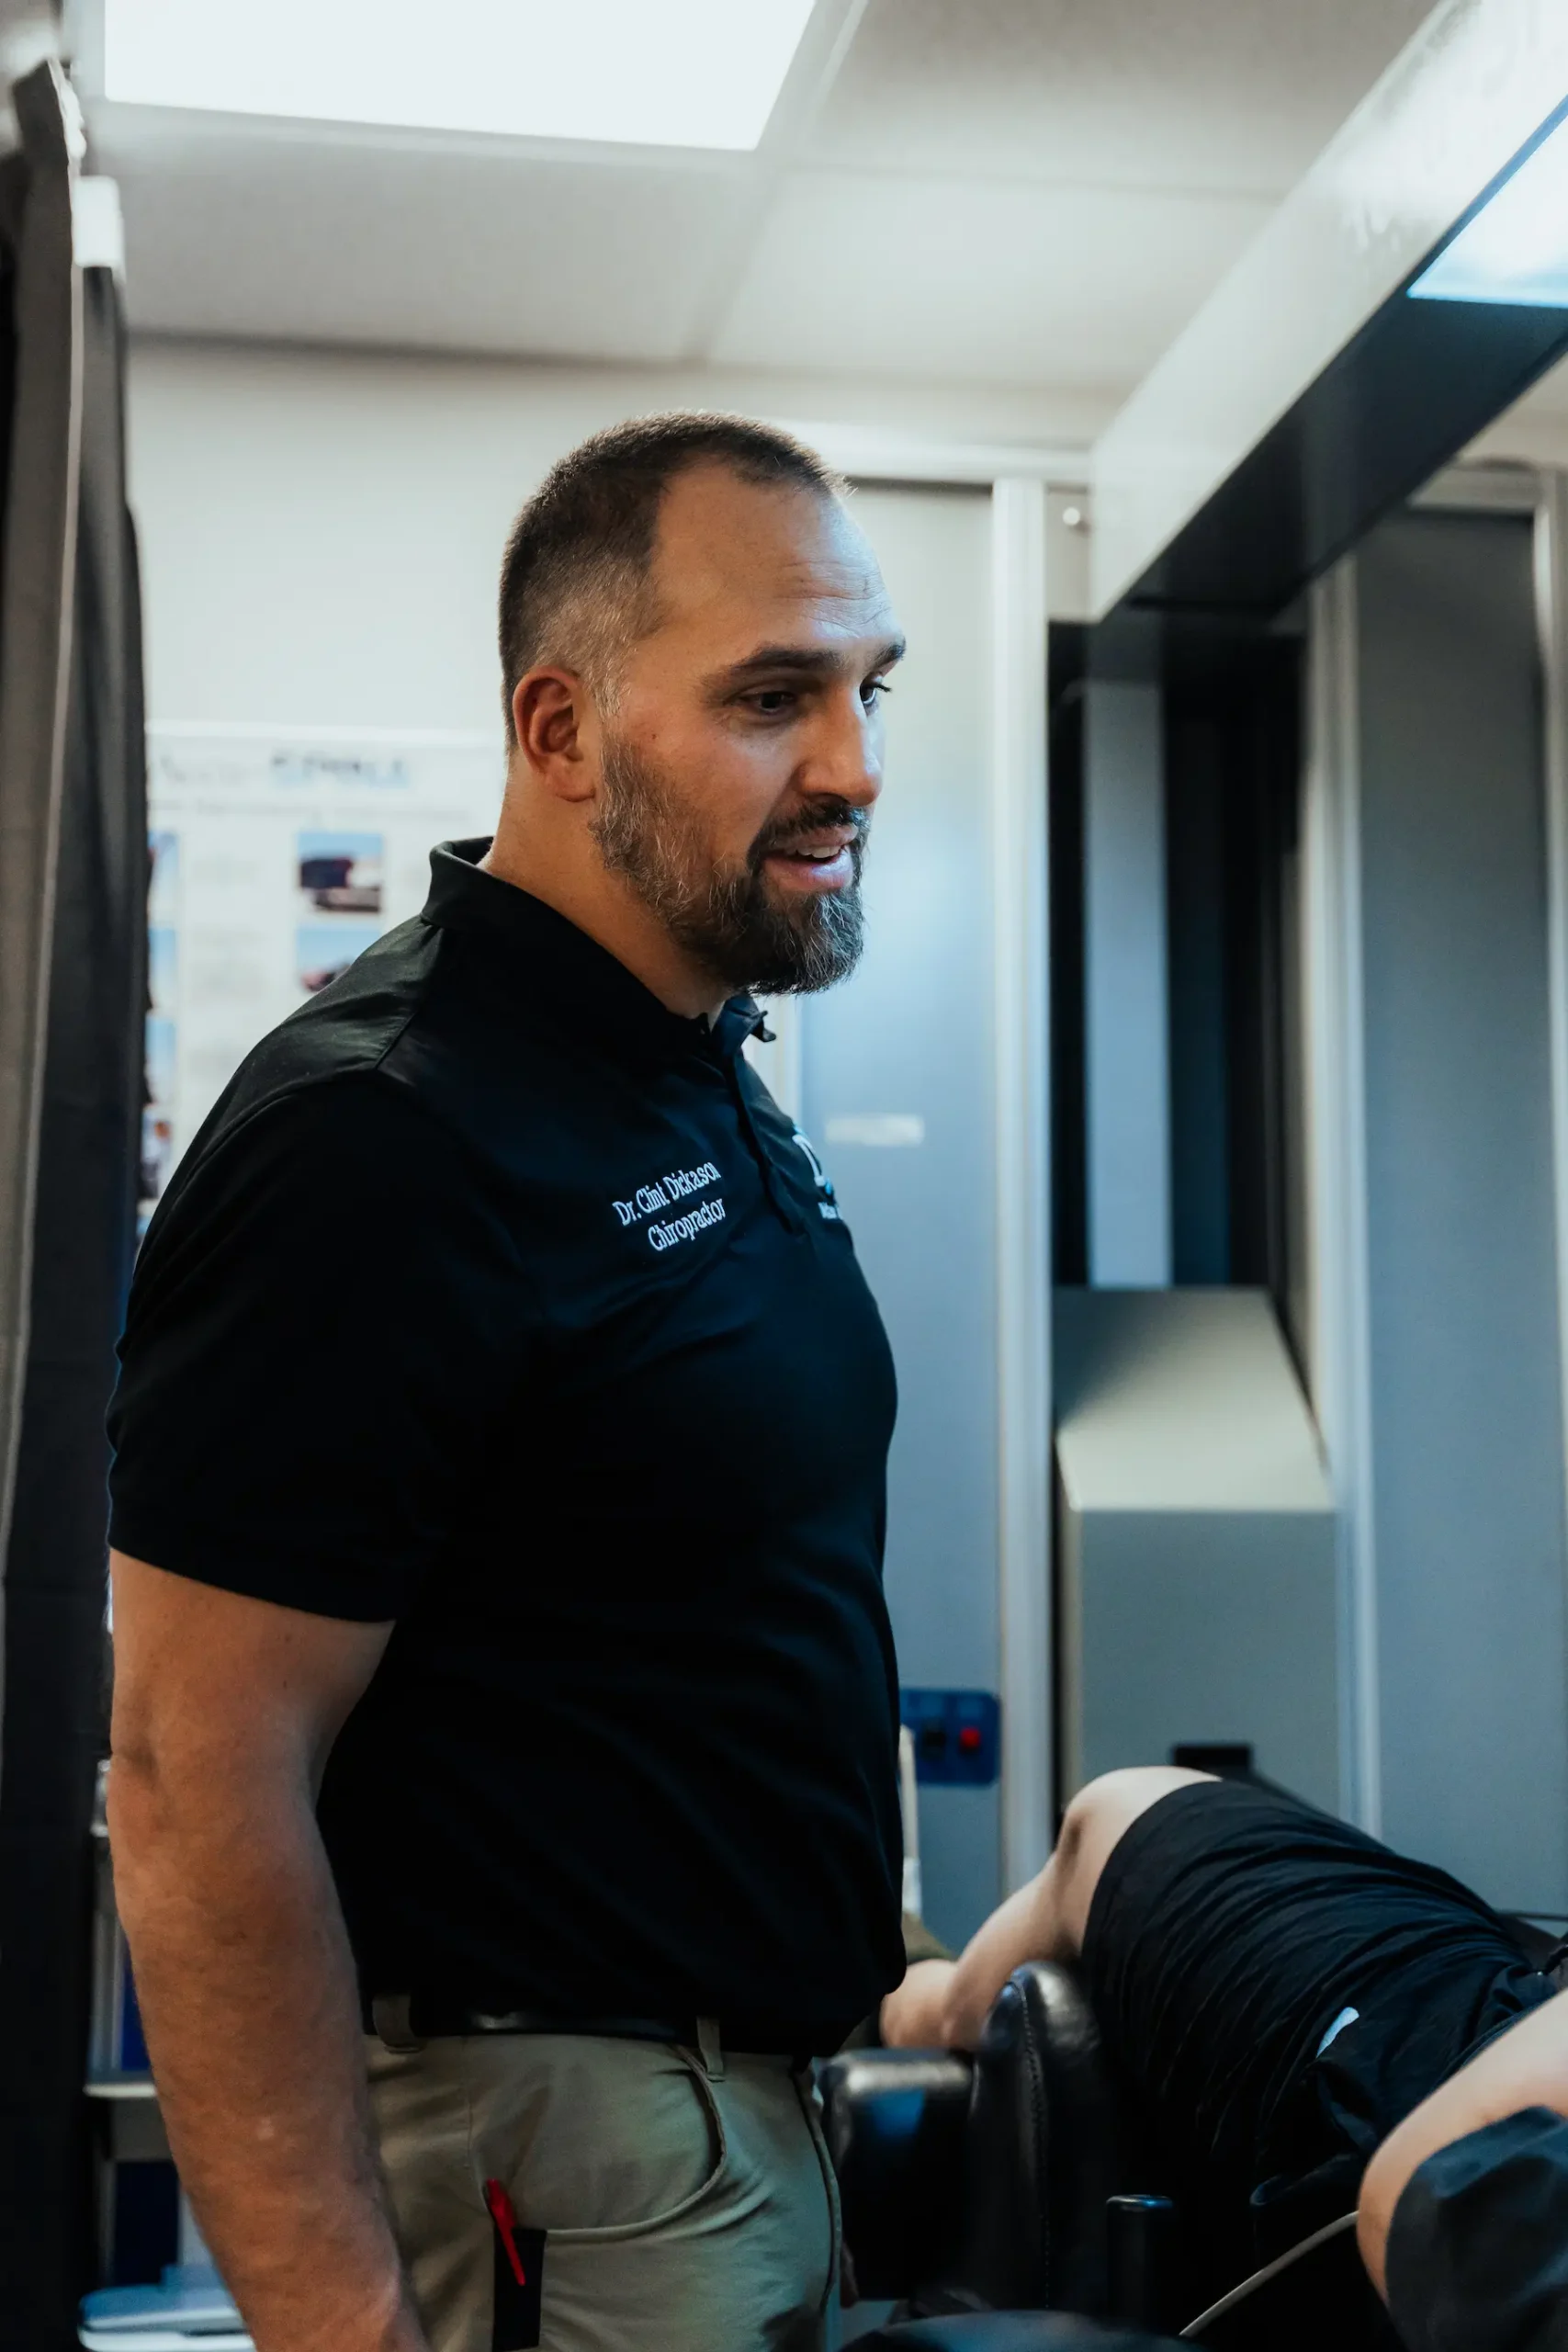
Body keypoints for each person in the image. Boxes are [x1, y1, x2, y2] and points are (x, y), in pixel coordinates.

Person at [107, 413, 910, 2352]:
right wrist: (338, 2323)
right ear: (562, 731)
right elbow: (192, 1777)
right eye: (772, 698)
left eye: (866, 689)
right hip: (558, 2157)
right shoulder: (385, 1133)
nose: (851, 764)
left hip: (740, 2126)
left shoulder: (687, 1063)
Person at [883, 1766, 1568, 2348]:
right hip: (1485, 2017)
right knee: (1119, 1810)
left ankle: (893, 1964)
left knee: (1121, 1806)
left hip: (1426, 2063)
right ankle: (894, 1966)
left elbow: (1429, 2187)